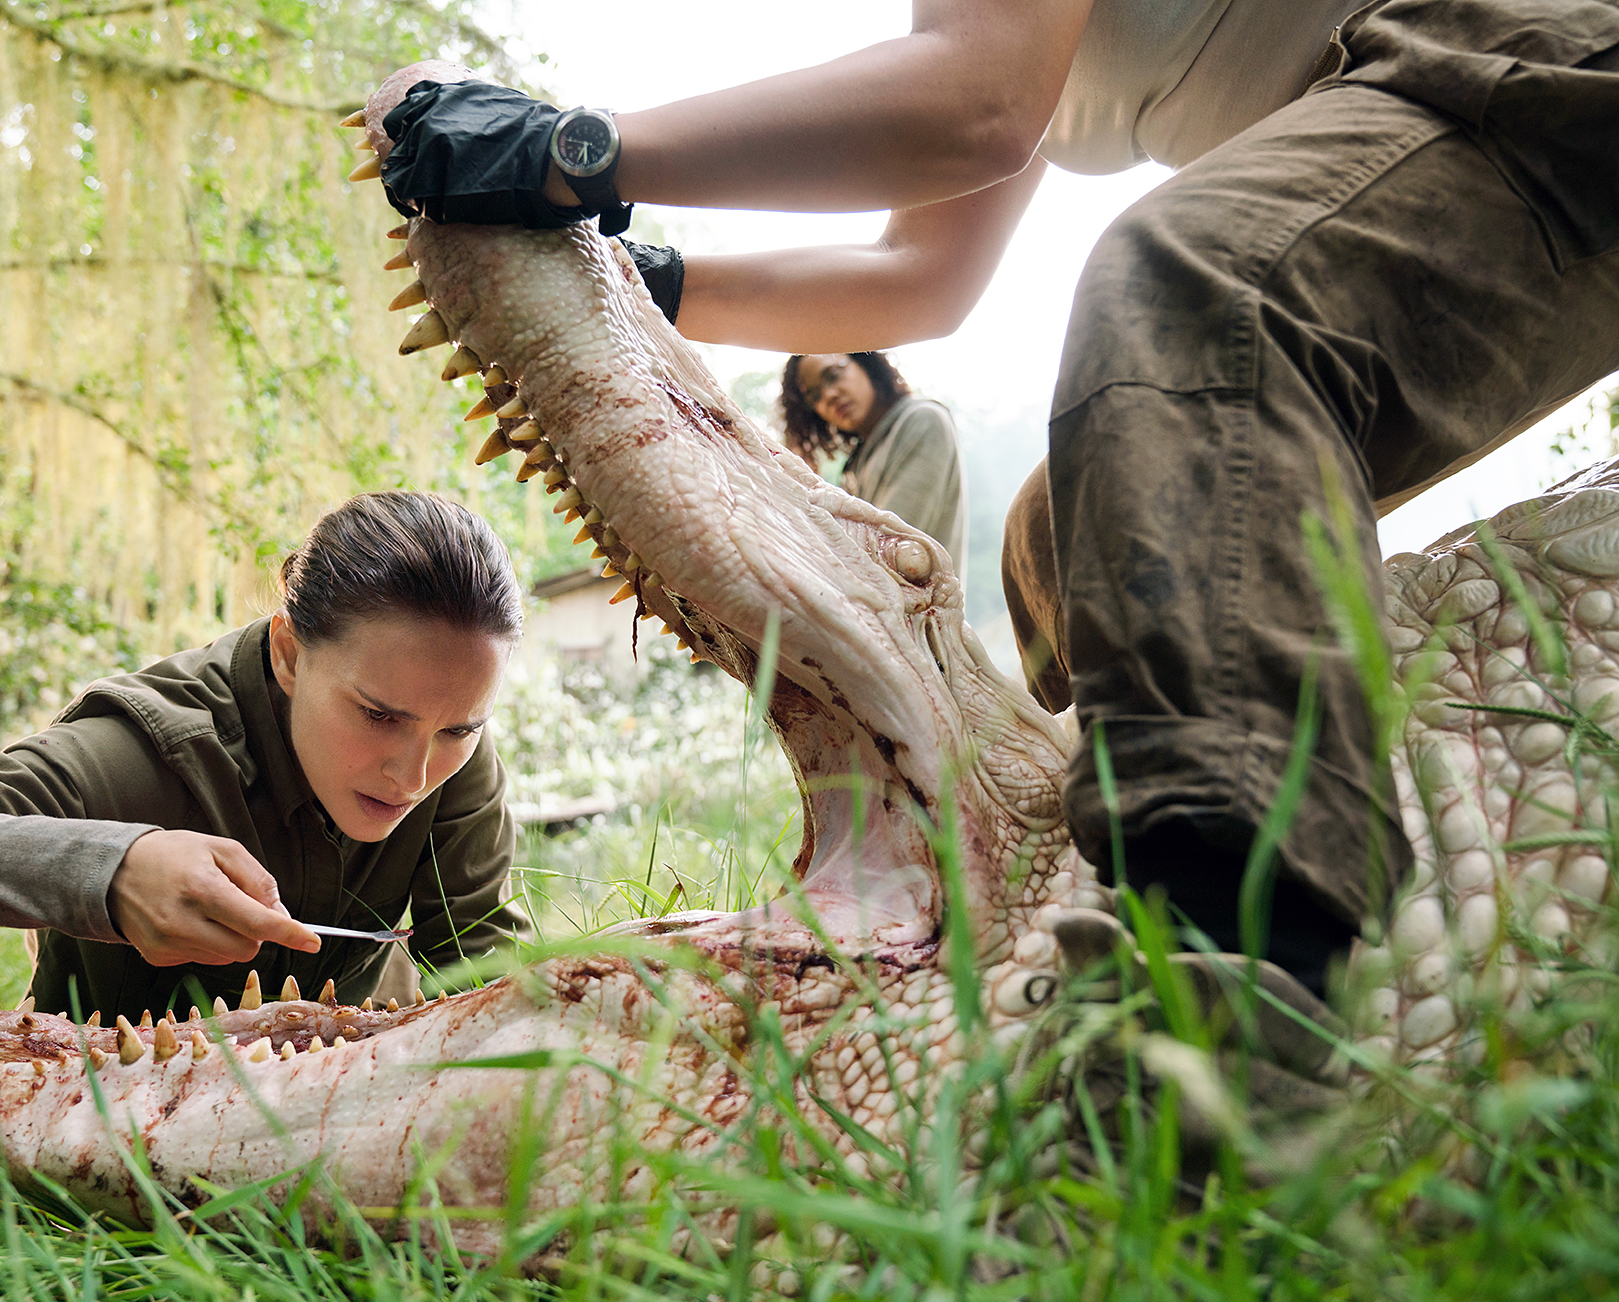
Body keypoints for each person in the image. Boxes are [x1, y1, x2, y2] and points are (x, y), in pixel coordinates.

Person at [374, 0, 1619, 999]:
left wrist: (571, 154)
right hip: (1411, 125)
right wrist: (644, 284)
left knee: (1187, 289)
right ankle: (1062, 880)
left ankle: (1227, 978)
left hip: (1520, 57)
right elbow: (923, 276)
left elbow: (971, 106)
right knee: (1070, 528)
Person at [0, 492, 528, 1019]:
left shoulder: (453, 748)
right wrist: (105, 873)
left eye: (458, 730)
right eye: (379, 716)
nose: (414, 774)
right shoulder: (147, 750)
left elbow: (491, 982)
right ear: (288, 652)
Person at [780, 351, 967, 572]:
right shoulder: (858, 461)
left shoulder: (923, 421)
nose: (828, 395)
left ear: (865, 363)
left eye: (833, 375)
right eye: (814, 396)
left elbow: (888, 551)